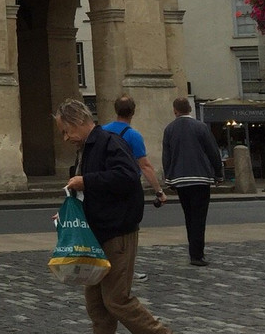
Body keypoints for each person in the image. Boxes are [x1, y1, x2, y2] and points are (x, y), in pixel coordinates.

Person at [55, 98, 172, 334]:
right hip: (98, 234)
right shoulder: (87, 148)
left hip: (117, 232)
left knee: (116, 299)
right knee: (96, 305)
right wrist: (68, 213)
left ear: (78, 120)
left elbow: (128, 177)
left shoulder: (109, 142)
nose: (65, 138)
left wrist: (86, 181)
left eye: (66, 131)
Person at [102, 95, 166, 281]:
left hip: (105, 186)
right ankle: (126, 269)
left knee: (108, 229)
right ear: (133, 112)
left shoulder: (103, 131)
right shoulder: (132, 135)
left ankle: (107, 264)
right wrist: (159, 191)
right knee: (128, 231)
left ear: (116, 110)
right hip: (126, 189)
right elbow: (145, 166)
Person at [162, 96, 224, 267]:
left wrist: (169, 178)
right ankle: (197, 254)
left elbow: (166, 157)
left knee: (189, 216)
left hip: (180, 179)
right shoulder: (201, 127)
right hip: (200, 178)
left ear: (175, 110)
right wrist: (218, 174)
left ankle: (193, 250)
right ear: (189, 109)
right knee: (199, 217)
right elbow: (212, 151)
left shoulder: (169, 130)